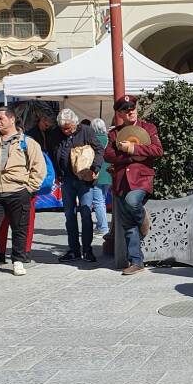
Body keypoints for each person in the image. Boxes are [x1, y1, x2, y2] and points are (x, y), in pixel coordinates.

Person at [0, 106, 47, 277]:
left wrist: (29, 189)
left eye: (1, 118)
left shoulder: (27, 142)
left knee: (20, 228)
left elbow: (38, 167)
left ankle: (18, 260)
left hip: (18, 191)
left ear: (12, 119)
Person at [105, 95, 163, 275]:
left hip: (141, 179)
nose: (130, 112)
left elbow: (157, 150)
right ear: (120, 113)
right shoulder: (114, 133)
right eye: (125, 110)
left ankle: (142, 217)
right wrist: (126, 154)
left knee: (132, 202)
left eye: (132, 108)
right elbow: (108, 155)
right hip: (121, 181)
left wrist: (133, 149)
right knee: (128, 225)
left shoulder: (148, 128)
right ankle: (136, 261)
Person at [52, 109, 104, 263]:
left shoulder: (86, 131)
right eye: (63, 128)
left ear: (75, 123)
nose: (65, 131)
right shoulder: (56, 133)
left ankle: (87, 250)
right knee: (69, 215)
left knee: (86, 214)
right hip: (67, 179)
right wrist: (57, 173)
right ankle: (73, 250)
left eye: (68, 127)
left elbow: (99, 150)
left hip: (84, 180)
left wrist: (95, 168)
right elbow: (54, 152)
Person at [90, 118, 111, 235]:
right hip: (108, 173)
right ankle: (100, 225)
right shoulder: (109, 139)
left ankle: (103, 227)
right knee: (102, 200)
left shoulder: (92, 140)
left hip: (97, 173)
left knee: (98, 202)